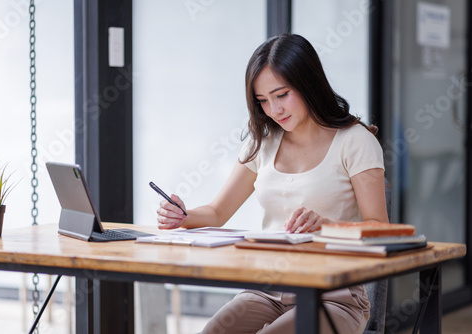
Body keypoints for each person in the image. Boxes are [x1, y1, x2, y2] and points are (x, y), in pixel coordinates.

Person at [156, 33, 388, 334]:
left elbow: (379, 227)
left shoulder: (356, 141)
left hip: (333, 296)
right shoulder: (262, 142)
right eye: (262, 100)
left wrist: (327, 224)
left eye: (281, 95)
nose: (273, 110)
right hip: (267, 289)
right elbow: (216, 211)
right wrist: (183, 217)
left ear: (309, 83)